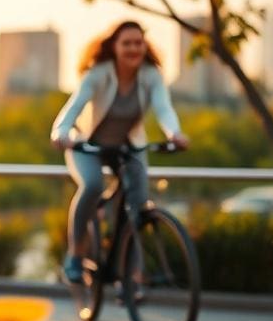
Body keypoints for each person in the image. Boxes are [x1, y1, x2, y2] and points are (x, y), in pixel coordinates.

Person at [51, 20, 188, 283]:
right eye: (127, 43)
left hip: (128, 147)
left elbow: (163, 108)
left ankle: (132, 277)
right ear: (114, 47)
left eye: (138, 43)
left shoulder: (152, 75)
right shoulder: (97, 73)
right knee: (92, 186)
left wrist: (174, 133)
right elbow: (73, 107)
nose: (133, 48)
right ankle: (76, 255)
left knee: (137, 208)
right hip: (88, 145)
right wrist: (62, 133)